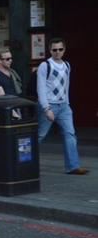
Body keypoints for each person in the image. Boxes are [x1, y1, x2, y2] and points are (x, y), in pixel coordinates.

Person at [36, 38, 89, 175]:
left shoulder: (67, 65)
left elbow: (66, 86)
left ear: (64, 50)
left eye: (60, 49)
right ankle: (26, 163)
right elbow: (41, 88)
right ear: (50, 50)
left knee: (70, 134)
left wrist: (67, 103)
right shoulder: (45, 65)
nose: (57, 52)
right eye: (54, 50)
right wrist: (46, 108)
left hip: (64, 105)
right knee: (39, 136)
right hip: (49, 105)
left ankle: (73, 166)